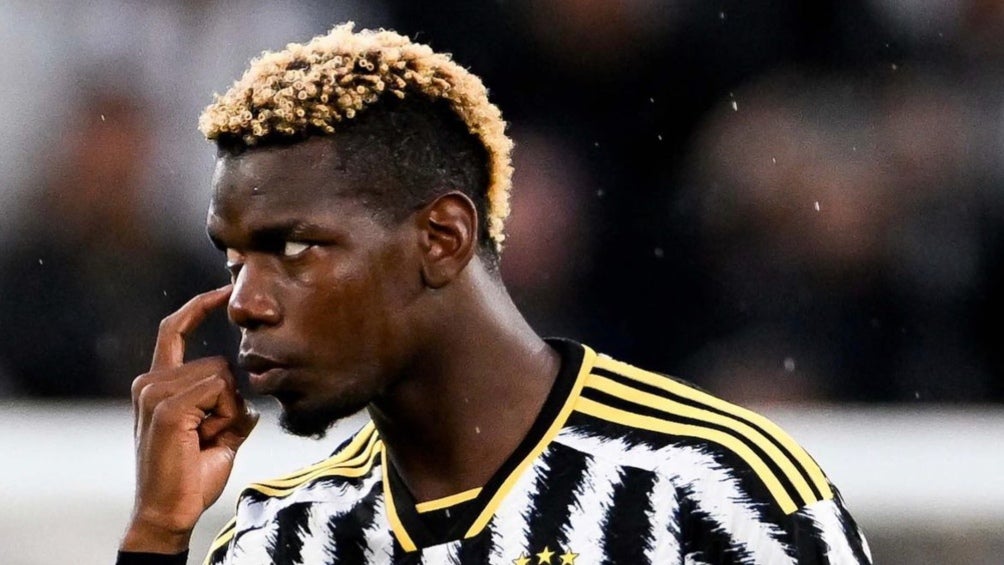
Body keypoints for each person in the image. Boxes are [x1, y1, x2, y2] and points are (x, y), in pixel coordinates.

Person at [117, 23, 872, 564]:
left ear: (442, 238)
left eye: (294, 248)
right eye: (234, 261)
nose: (245, 303)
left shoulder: (716, 491)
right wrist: (156, 533)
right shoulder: (283, 536)